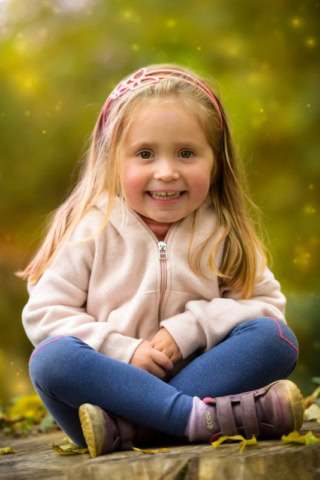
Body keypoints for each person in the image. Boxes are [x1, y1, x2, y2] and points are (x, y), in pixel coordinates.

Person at [18, 64, 304, 458]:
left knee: (275, 339)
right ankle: (192, 417)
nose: (166, 172)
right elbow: (45, 313)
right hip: (106, 398)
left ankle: (147, 426)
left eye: (187, 153)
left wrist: (192, 328)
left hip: (180, 391)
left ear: (215, 162)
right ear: (112, 161)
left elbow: (268, 308)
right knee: (52, 360)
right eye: (145, 154)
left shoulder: (224, 232)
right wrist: (123, 350)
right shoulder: (89, 229)